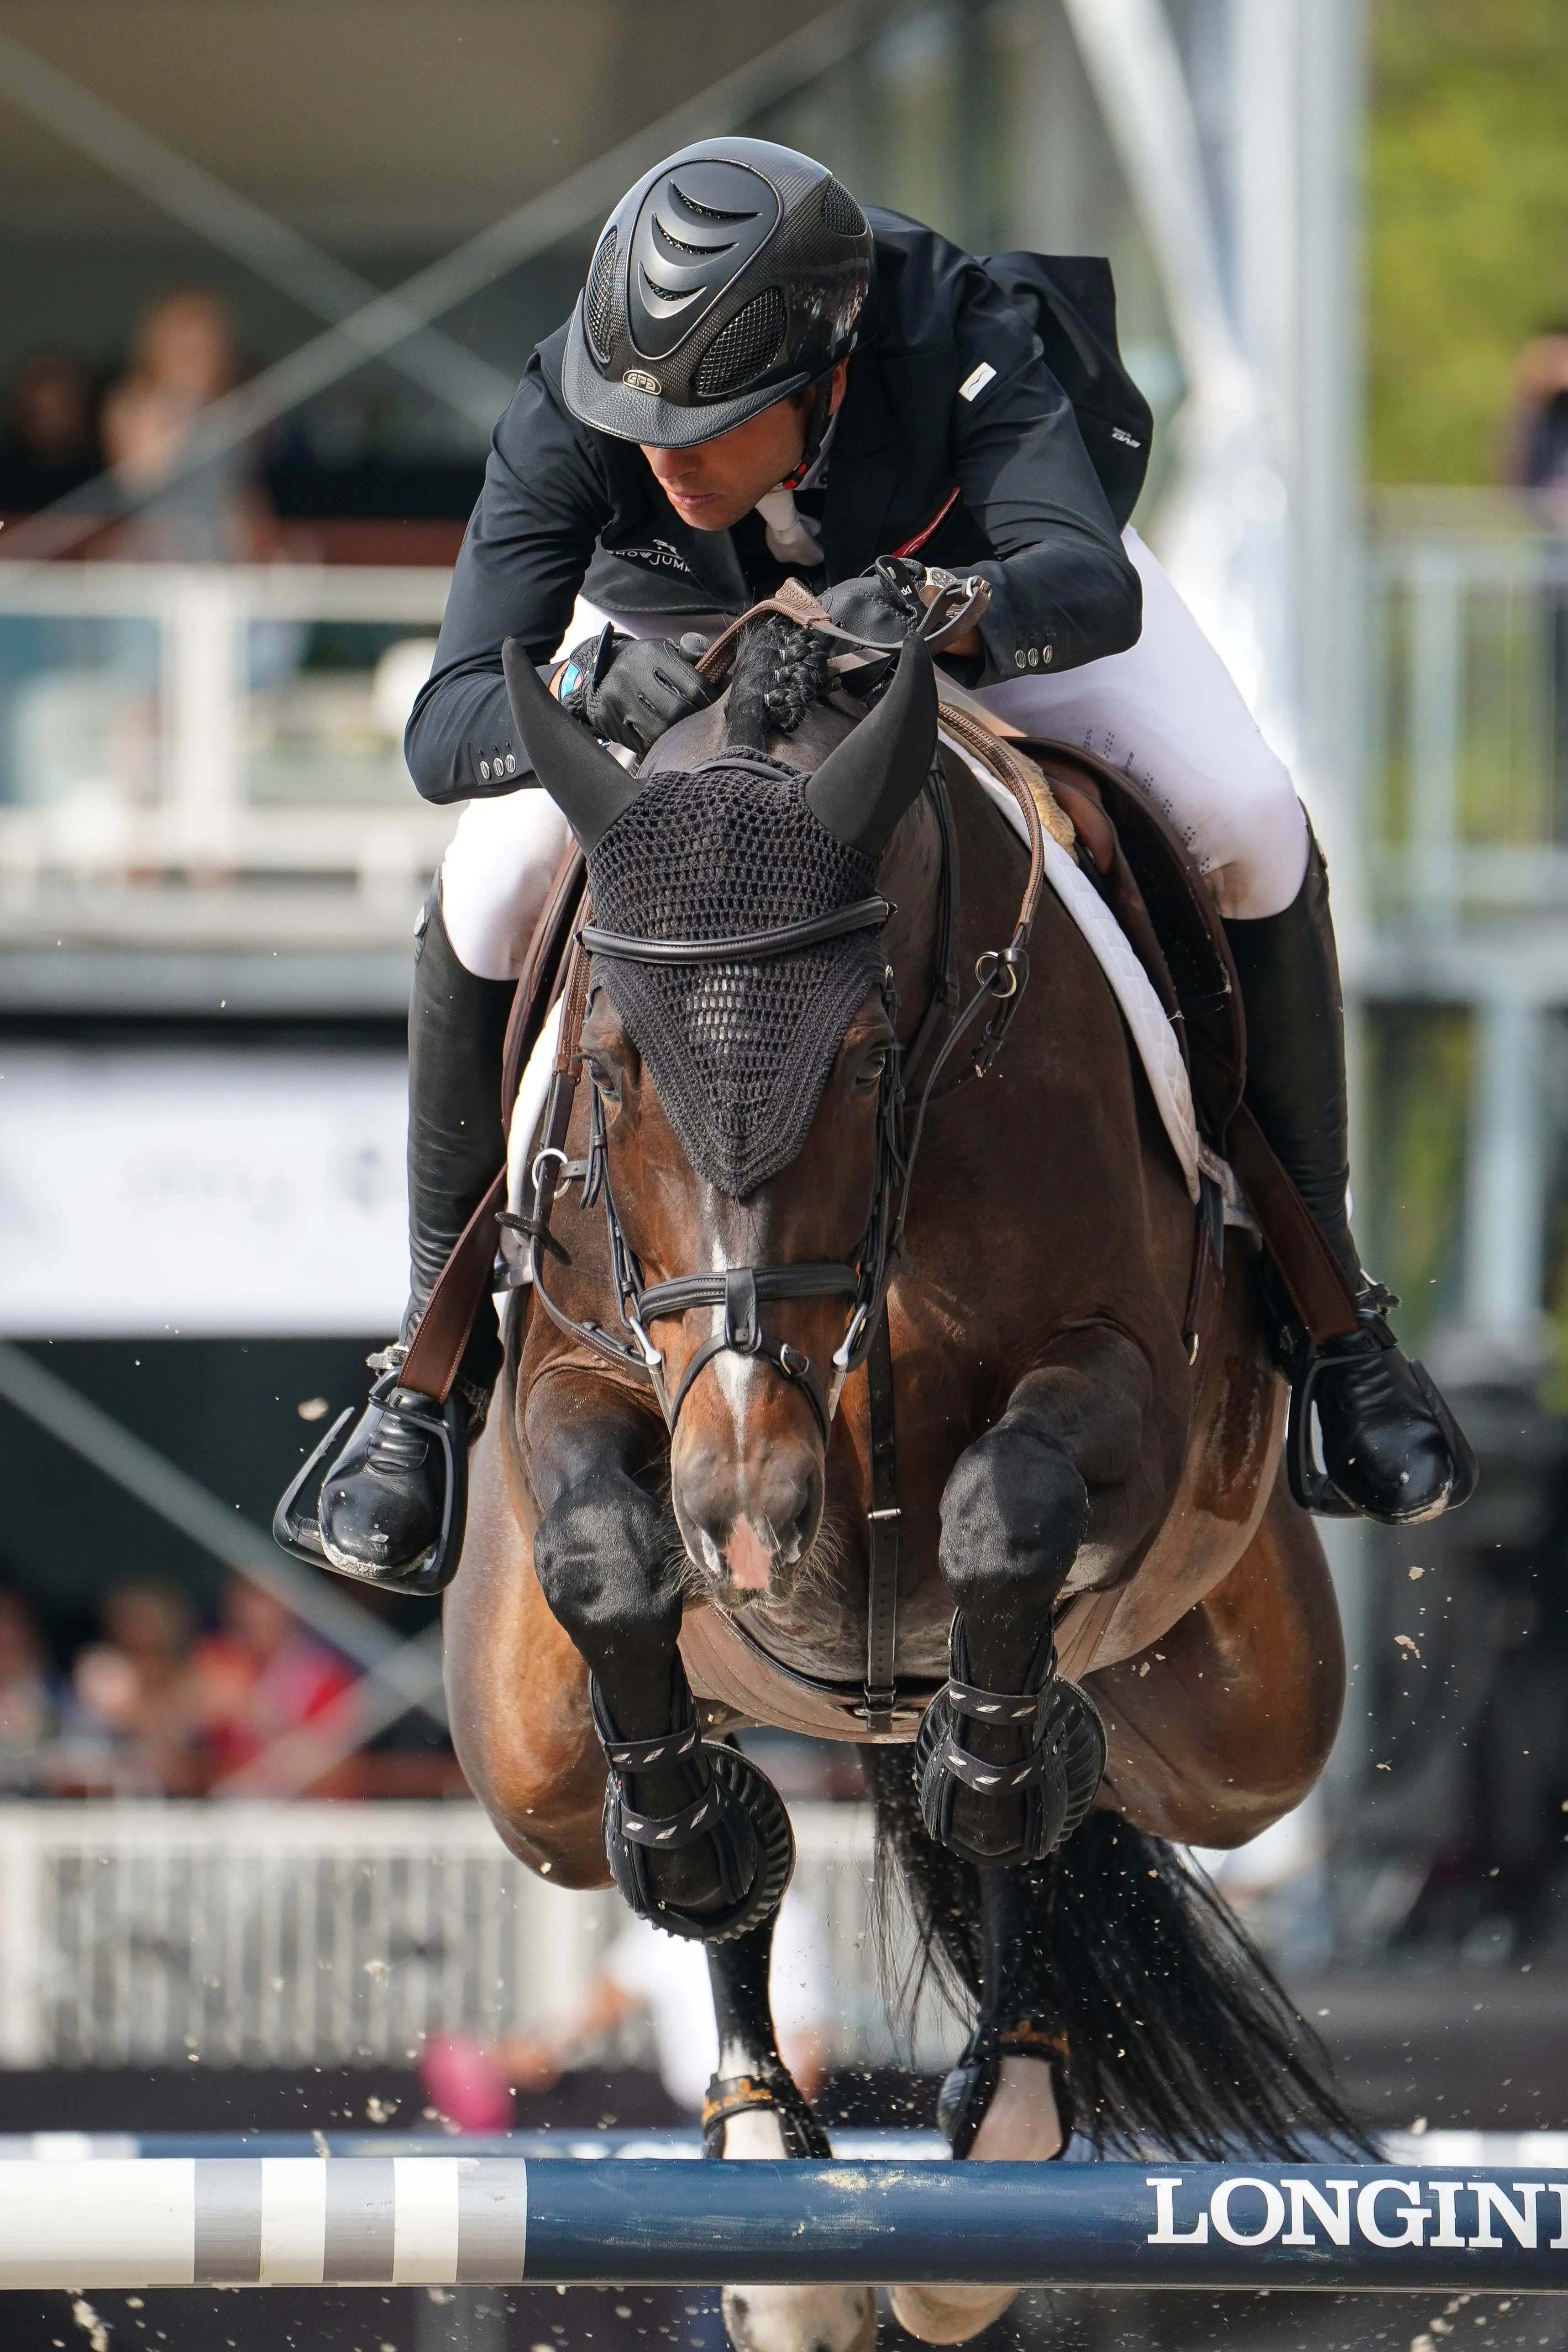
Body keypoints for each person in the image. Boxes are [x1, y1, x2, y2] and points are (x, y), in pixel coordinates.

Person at [312, 136, 1468, 1584]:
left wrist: (942, 602)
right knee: (481, 894)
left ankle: (1332, 1326)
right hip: (676, 649)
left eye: (710, 421)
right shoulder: (577, 398)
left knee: (1246, 819)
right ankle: (423, 1381)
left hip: (972, 621)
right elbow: (442, 728)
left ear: (825, 377)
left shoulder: (957, 327)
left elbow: (1082, 576)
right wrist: (597, 690)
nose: (660, 455)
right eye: (639, 420)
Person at [420, 1887, 830, 2132]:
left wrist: (789, 2124)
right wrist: (539, 2049)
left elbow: (807, 2033)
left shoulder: (785, 1915)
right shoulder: (672, 1920)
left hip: (766, 2113)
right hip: (708, 2116)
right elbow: (606, 2002)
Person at [100, 288, 270, 560]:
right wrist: (182, 396)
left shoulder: (234, 403)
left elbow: (243, 484)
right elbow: (140, 478)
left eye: (203, 340)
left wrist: (260, 547)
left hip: (221, 546)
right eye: (182, 342)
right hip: (155, 545)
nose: (193, 352)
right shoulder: (132, 401)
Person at [193, 1574, 356, 1785]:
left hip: (296, 1808)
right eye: (246, 1596)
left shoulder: (324, 1675)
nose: (253, 1612)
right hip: (225, 1804)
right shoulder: (215, 1659)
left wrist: (256, 1713)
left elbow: (338, 1770)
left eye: (264, 1599)